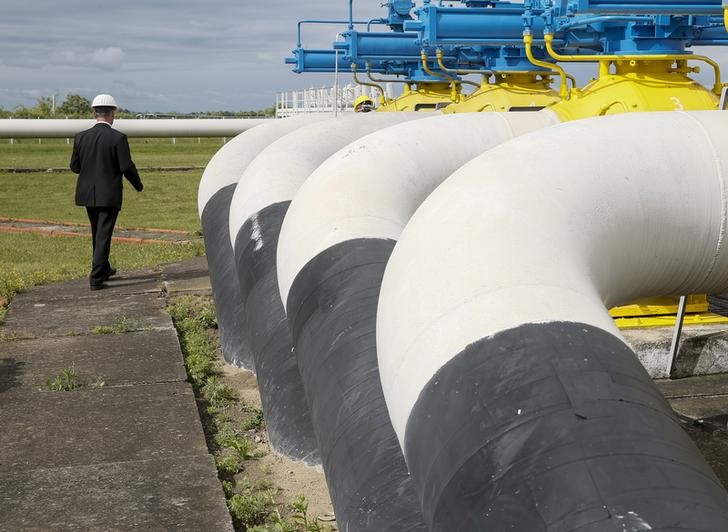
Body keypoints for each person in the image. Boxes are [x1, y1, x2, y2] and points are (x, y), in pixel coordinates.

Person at [70, 94, 144, 290]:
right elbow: (126, 166)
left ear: (94, 113)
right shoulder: (118, 138)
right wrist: (138, 185)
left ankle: (104, 268)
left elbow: (75, 167)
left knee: (97, 232)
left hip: (87, 193)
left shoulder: (80, 137)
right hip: (109, 194)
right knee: (103, 234)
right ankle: (96, 278)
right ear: (113, 113)